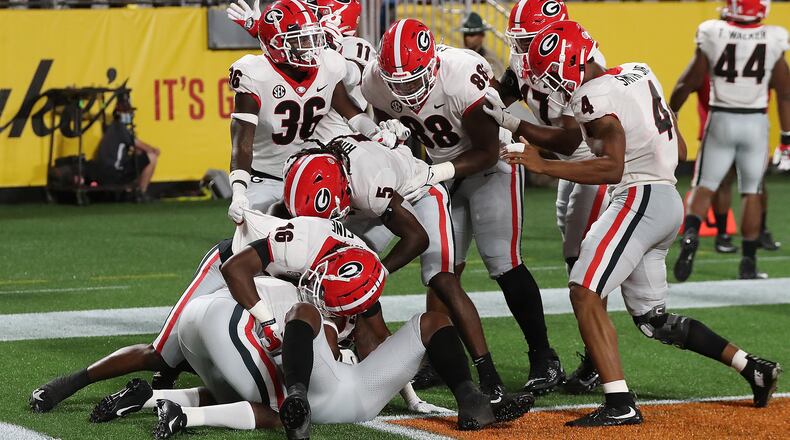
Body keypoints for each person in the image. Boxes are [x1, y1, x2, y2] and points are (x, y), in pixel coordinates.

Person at [489, 20, 781, 426]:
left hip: (639, 198)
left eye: (553, 75)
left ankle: (619, 401)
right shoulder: (638, 70)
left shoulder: (593, 95)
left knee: (584, 291)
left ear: (572, 64)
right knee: (653, 320)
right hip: (665, 198)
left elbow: (611, 167)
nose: (552, 86)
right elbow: (677, 144)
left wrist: (542, 164)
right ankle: (752, 366)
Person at [361, 18, 564, 397]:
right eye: (396, 82)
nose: (404, 90)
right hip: (439, 170)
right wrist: (392, 136)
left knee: (502, 260)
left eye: (413, 79)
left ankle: (544, 356)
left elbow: (487, 152)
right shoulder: (376, 80)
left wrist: (436, 171)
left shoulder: (461, 73)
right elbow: (390, 124)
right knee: (442, 267)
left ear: (433, 64)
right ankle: (442, 357)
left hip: (490, 164)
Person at [497, 0, 607, 395]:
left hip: (589, 165)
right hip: (566, 167)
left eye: (530, 40)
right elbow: (510, 82)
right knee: (575, 260)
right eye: (520, 40)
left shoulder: (576, 62)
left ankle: (599, 360)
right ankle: (597, 354)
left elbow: (567, 136)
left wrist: (512, 122)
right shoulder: (525, 53)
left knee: (585, 267)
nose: (523, 50)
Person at [225, 0, 403, 226]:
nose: (312, 47)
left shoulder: (328, 62)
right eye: (302, 40)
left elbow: (352, 112)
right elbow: (241, 144)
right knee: (252, 242)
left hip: (310, 172)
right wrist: (239, 192)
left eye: (312, 37)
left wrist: (377, 133)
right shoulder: (254, 74)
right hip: (266, 178)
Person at [669, 0, 789, 280]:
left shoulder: (713, 32)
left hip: (720, 118)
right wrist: (786, 138)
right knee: (752, 191)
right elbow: (785, 93)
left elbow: (688, 81)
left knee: (703, 187)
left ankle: (689, 235)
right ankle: (748, 262)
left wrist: (672, 112)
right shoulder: (773, 37)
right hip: (754, 122)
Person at [92, 97, 159, 202]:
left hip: (105, 172)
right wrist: (154, 149)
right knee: (151, 157)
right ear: (119, 113)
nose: (129, 114)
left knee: (140, 157)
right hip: (114, 174)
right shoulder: (120, 128)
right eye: (126, 112)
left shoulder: (113, 127)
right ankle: (141, 193)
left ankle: (131, 192)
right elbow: (139, 145)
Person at [459, 12, 505, 79]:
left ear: (481, 35)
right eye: (465, 34)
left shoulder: (491, 60)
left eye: (472, 34)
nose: (467, 38)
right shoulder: (458, 57)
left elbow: (498, 84)